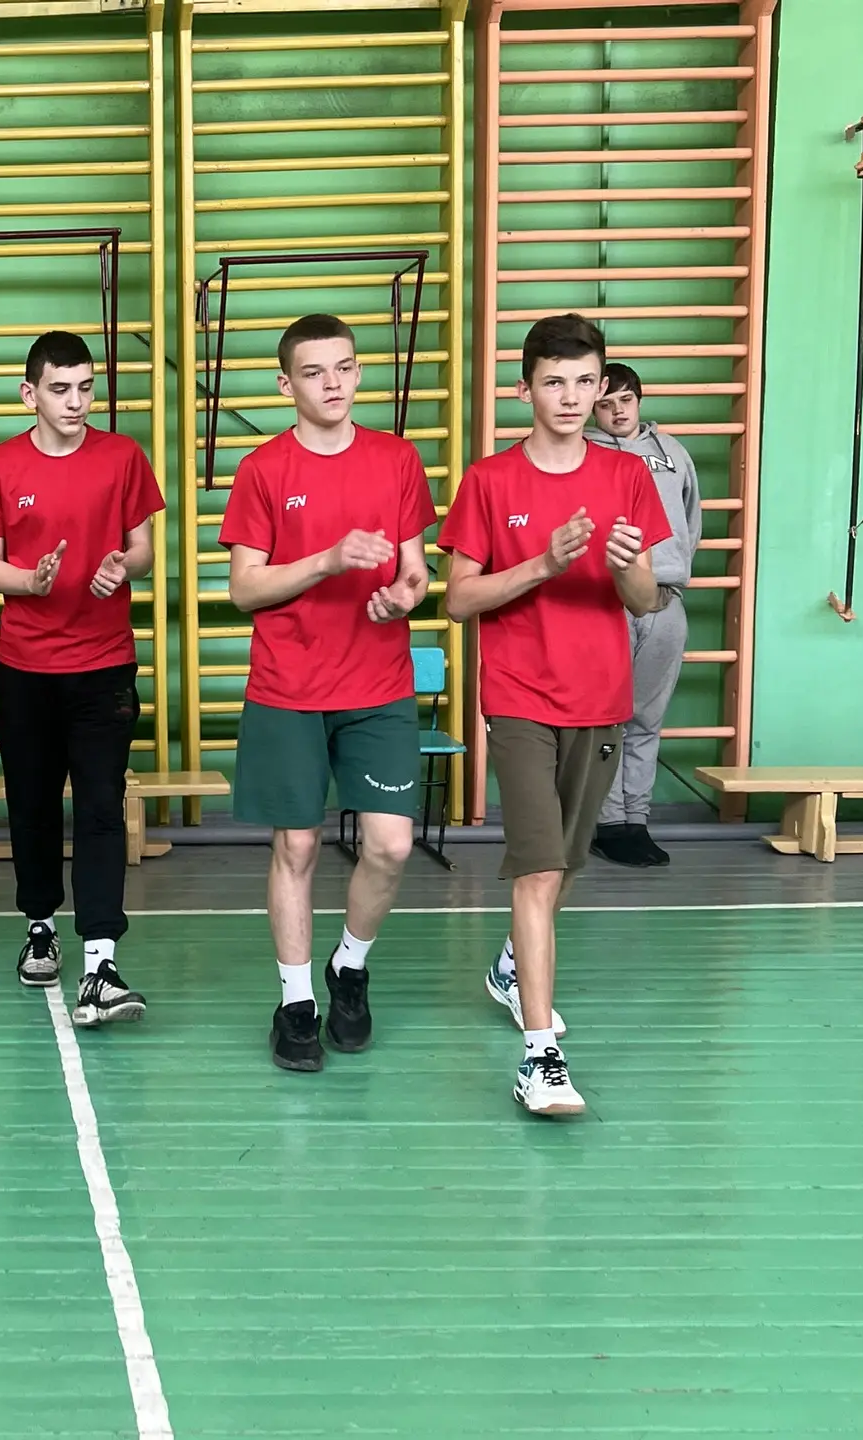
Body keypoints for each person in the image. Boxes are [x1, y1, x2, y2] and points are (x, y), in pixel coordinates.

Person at [440, 314, 671, 1117]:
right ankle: (540, 1058)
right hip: (519, 699)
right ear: (525, 389)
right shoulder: (489, 481)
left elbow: (642, 596)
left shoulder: (627, 477)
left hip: (600, 696)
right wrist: (543, 563)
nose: (570, 397)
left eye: (584, 382)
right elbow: (459, 599)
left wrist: (624, 568)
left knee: (565, 867)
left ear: (602, 386)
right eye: (553, 382)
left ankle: (511, 967)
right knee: (538, 869)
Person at [221, 315, 434, 1072]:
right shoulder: (263, 469)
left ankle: (350, 965)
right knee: (298, 844)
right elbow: (245, 588)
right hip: (290, 685)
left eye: (344, 367)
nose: (333, 383)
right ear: (287, 384)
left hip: (379, 682)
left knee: (391, 844)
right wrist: (327, 560)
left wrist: (405, 596)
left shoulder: (397, 459)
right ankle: (295, 1002)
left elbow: (417, 570)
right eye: (314, 372)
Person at [0, 330, 164, 1027]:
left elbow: (143, 547)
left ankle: (101, 960)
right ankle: (40, 925)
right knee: (33, 804)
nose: (75, 401)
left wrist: (122, 565)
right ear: (30, 394)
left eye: (85, 387)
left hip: (104, 664)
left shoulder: (123, 456)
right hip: (25, 667)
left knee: (103, 807)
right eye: (60, 388)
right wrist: (32, 580)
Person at [585, 363, 703, 868]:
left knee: (646, 719)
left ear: (639, 399)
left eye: (625, 401)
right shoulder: (585, 453)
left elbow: (690, 520)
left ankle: (636, 820)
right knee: (606, 718)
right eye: (606, 404)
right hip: (604, 601)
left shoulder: (672, 453)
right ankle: (608, 823)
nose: (617, 412)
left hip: (664, 599)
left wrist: (670, 573)